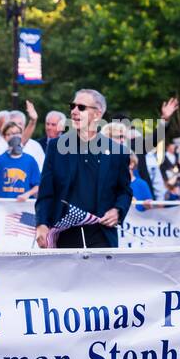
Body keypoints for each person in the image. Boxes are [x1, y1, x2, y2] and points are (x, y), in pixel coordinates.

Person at [34, 88, 132, 249]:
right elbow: (46, 192)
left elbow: (124, 191)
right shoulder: (56, 147)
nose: (74, 111)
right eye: (72, 106)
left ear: (98, 114)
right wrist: (41, 224)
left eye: (81, 107)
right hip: (63, 234)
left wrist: (117, 210)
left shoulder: (118, 151)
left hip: (101, 235)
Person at [0, 120, 41, 204]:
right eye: (10, 134)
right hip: (4, 207)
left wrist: (27, 194)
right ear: (4, 137)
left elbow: (38, 185)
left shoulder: (30, 160)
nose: (14, 136)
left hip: (24, 206)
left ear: (21, 135)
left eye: (17, 133)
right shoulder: (0, 160)